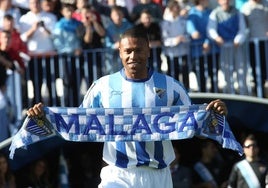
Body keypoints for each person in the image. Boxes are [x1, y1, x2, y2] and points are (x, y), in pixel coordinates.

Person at [26, 26, 228, 188]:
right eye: (128, 51)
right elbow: (78, 125)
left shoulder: (171, 87)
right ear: (120, 53)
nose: (133, 56)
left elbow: (195, 129)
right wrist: (44, 118)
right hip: (118, 172)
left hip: (158, 176)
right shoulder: (102, 87)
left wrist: (214, 116)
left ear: (148, 50)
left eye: (138, 50)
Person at [240, 0, 268, 97]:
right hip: (253, 43)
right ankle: (259, 92)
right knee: (257, 68)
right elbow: (243, 26)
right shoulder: (245, 7)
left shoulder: (266, 4)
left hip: (266, 42)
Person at [161, 0, 190, 90]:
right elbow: (164, 40)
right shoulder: (165, 23)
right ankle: (173, 91)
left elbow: (188, 35)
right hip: (171, 54)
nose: (177, 10)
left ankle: (186, 91)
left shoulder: (184, 21)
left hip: (183, 52)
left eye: (178, 8)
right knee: (173, 74)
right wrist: (174, 41)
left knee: (185, 73)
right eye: (174, 8)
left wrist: (183, 38)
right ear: (170, 9)